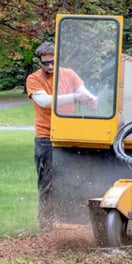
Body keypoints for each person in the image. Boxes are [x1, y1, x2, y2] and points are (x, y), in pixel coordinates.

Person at [26, 41, 98, 231]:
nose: (49, 67)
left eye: (52, 62)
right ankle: (46, 226)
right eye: (45, 63)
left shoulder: (69, 74)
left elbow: (84, 92)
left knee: (74, 180)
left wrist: (91, 99)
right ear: (39, 62)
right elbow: (45, 102)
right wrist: (74, 98)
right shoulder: (33, 79)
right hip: (46, 139)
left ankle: (73, 221)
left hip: (70, 136)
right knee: (47, 184)